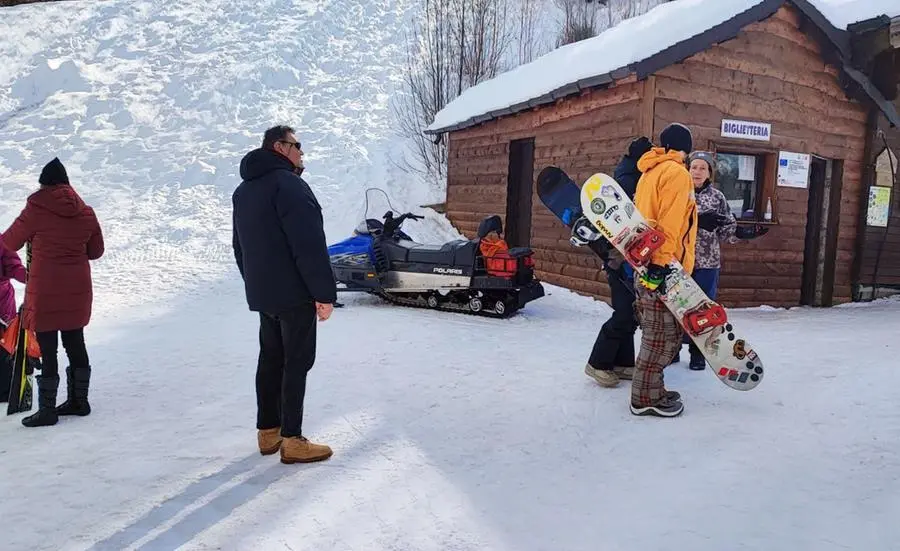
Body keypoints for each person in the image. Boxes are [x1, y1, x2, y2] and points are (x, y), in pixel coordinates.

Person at [232, 125, 337, 464]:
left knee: (271, 358)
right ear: (279, 146)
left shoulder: (244, 191)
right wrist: (323, 293)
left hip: (265, 293)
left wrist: (256, 283)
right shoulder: (289, 186)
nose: (301, 152)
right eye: (297, 145)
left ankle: (268, 431)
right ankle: (293, 439)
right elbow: (308, 246)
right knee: (296, 362)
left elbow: (240, 247)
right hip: (295, 293)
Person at [1, 157, 104, 426]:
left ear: (43, 184)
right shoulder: (86, 211)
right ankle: (79, 401)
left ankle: (47, 410)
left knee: (49, 348)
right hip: (78, 290)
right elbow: (96, 252)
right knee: (75, 342)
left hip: (45, 289)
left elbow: (10, 242)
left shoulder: (36, 208)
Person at [674, 151, 769, 370]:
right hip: (679, 262)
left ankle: (698, 354)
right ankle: (673, 350)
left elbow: (727, 229)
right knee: (677, 308)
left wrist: (744, 233)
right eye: (694, 167)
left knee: (703, 311)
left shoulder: (717, 197)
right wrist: (696, 221)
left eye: (702, 168)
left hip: (708, 263)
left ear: (709, 173)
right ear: (687, 169)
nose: (697, 171)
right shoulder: (677, 192)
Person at [629, 123, 698, 417]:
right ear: (685, 148)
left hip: (646, 261)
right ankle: (644, 398)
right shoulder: (676, 174)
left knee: (655, 331)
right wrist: (660, 266)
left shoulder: (649, 171)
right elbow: (668, 224)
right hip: (662, 265)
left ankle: (652, 388)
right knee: (662, 336)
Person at [582, 136, 653, 388]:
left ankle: (622, 363)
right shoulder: (627, 182)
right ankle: (598, 363)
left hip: (629, 258)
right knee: (624, 312)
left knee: (631, 312)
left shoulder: (632, 177)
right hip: (618, 259)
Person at [0, 235, 27, 402]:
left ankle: (4, 391)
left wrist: (31, 277)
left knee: (4, 348)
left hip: (1, 304)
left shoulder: (2, 242)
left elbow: (14, 266)